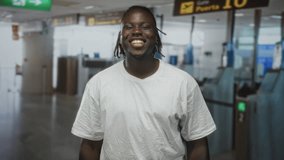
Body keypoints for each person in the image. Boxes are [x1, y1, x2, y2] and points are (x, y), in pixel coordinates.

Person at [71, 5, 216, 160]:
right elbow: (90, 144)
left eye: (145, 26)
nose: (137, 31)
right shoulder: (98, 84)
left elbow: (198, 143)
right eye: (129, 27)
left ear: (156, 36)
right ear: (121, 36)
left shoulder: (183, 83)